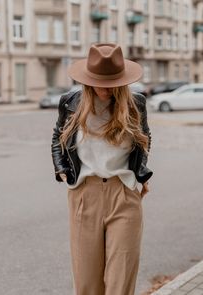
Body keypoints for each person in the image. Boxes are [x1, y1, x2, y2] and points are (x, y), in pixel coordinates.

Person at [51, 43, 153, 295]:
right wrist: (61, 168)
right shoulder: (71, 103)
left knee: (121, 282)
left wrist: (140, 170)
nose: (106, 88)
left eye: (112, 82)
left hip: (124, 194)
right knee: (87, 283)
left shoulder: (135, 103)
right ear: (88, 79)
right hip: (85, 194)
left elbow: (145, 136)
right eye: (100, 81)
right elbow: (57, 136)